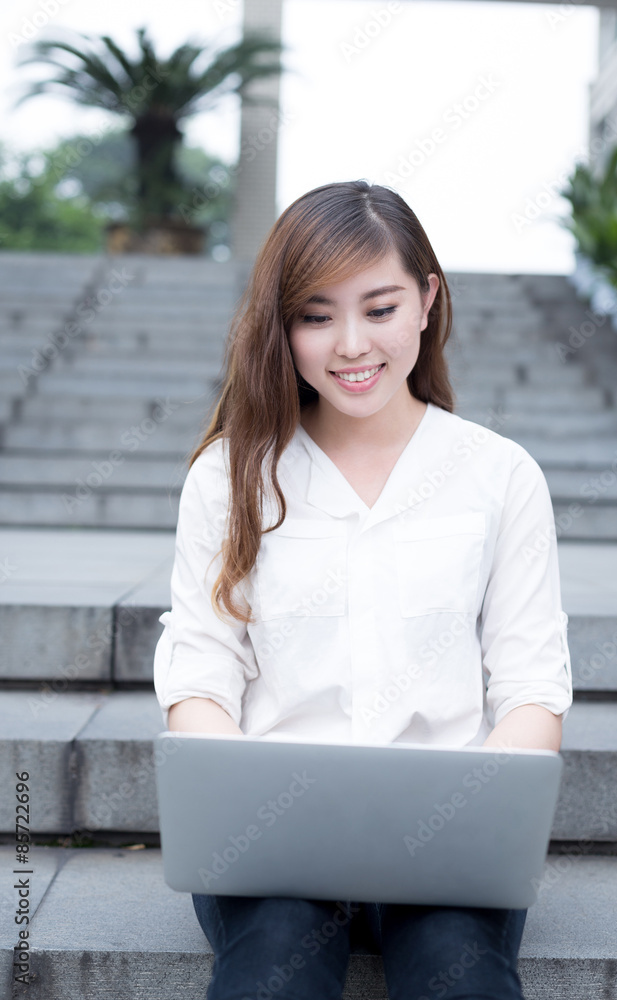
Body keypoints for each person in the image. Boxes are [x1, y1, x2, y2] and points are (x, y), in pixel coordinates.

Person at [153, 179, 573, 1000]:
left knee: (459, 967)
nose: (351, 344)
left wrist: (477, 818)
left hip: (451, 845)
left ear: (426, 301)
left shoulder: (498, 475)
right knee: (271, 960)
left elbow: (530, 685)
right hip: (270, 847)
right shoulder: (228, 475)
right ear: (282, 324)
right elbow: (199, 673)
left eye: (378, 309)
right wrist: (245, 811)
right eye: (316, 315)